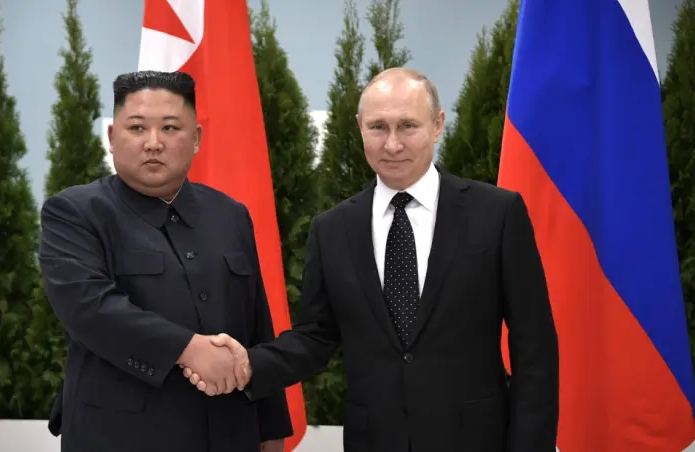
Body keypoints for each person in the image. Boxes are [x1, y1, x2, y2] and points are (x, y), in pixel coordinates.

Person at [184, 68, 560, 451]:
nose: (392, 144)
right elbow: (315, 336)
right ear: (360, 127)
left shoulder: (497, 214)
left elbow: (535, 350)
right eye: (378, 127)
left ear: (437, 125)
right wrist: (249, 364)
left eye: (408, 126)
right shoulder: (332, 229)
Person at [38, 70, 292, 452]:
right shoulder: (75, 212)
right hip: (120, 436)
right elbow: (91, 309)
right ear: (112, 137)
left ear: (196, 138)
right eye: (137, 128)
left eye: (170, 128)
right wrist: (189, 349)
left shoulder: (231, 215)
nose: (153, 143)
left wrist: (272, 427)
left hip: (230, 433)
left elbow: (257, 324)